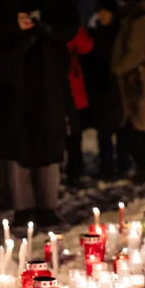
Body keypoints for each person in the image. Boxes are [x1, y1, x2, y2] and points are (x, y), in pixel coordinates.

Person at [0, 0, 80, 228]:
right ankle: (22, 207)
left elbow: (70, 24)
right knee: (15, 139)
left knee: (48, 137)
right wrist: (13, 26)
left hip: (47, 75)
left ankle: (48, 206)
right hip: (10, 77)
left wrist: (46, 27)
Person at [111, 0, 145, 183]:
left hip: (137, 80)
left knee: (140, 124)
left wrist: (117, 69)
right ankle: (144, 167)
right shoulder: (143, 20)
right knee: (140, 123)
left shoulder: (141, 22)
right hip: (138, 79)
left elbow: (135, 52)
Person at [86, 0, 125, 181]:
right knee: (104, 130)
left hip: (115, 86)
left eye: (105, 11)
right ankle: (107, 167)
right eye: (99, 12)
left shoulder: (118, 33)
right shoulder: (95, 33)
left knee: (120, 126)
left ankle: (123, 163)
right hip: (99, 87)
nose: (101, 15)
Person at [65, 26, 94, 185]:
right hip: (59, 84)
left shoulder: (72, 28)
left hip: (72, 86)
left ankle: (74, 169)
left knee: (75, 132)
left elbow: (86, 46)